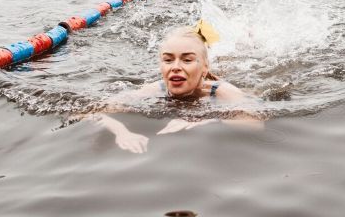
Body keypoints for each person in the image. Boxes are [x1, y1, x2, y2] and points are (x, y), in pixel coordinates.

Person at [90, 22, 256, 153]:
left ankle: (247, 42)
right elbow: (91, 110)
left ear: (204, 67)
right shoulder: (154, 89)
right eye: (168, 60)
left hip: (235, 77)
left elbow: (254, 124)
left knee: (236, 63)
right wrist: (121, 131)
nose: (175, 67)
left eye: (187, 60)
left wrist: (210, 118)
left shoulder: (222, 91)